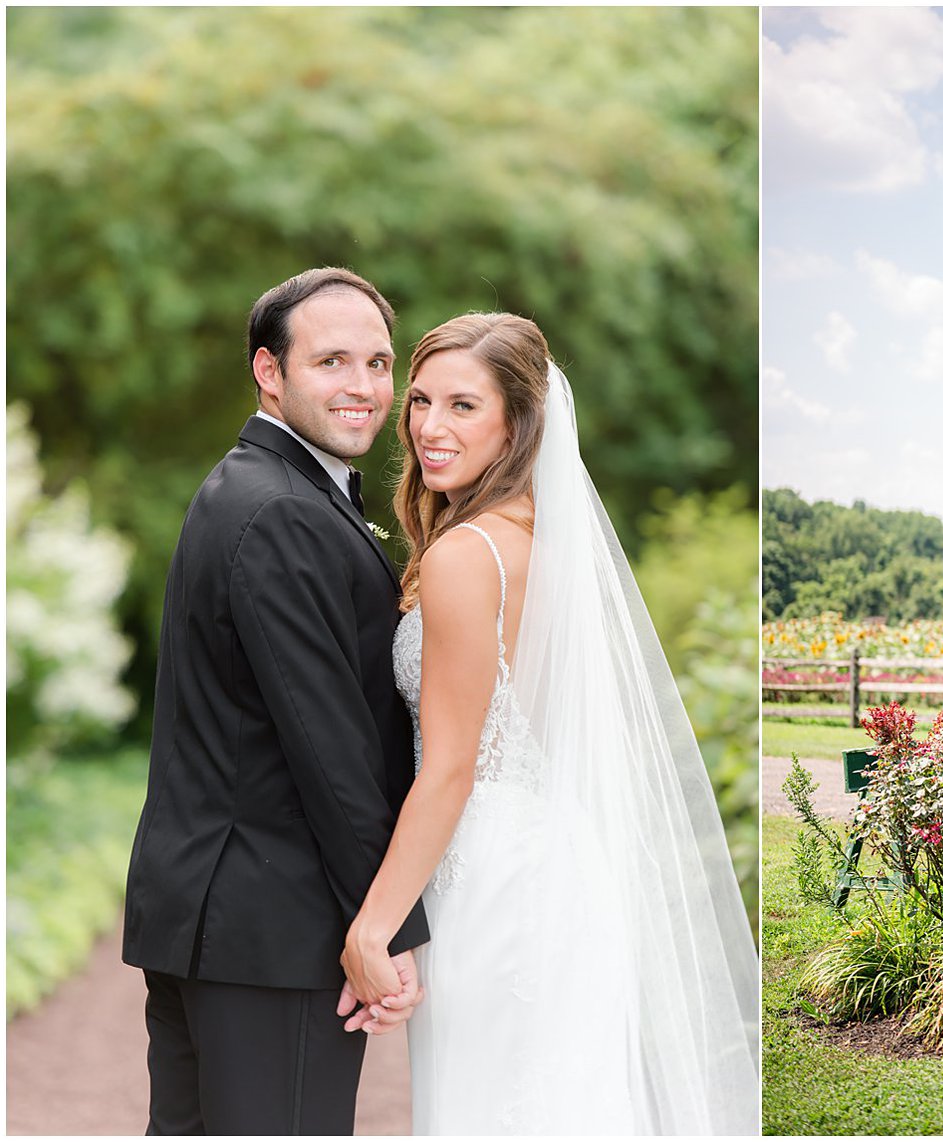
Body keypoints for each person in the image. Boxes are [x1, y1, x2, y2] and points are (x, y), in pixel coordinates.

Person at [339, 313, 760, 1134]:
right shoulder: (539, 544)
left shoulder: (468, 555)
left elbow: (452, 769)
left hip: (493, 886)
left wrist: (373, 927)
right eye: (420, 400)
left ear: (518, 423)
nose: (428, 425)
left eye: (464, 405)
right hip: (554, 865)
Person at [122, 268, 428, 1135]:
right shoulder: (283, 510)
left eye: (377, 361)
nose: (365, 386)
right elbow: (330, 751)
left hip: (212, 917)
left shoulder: (246, 486)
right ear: (269, 370)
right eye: (332, 360)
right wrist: (384, 931)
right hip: (273, 929)